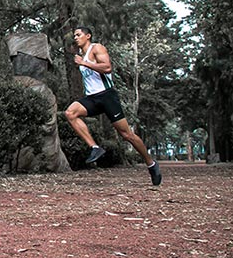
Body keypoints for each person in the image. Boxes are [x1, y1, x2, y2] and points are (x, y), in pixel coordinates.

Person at [65, 27, 162, 186]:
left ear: (88, 36)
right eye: (74, 35)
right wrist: (82, 61)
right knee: (70, 113)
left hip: (107, 96)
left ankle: (151, 163)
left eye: (78, 34)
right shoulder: (81, 55)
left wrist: (84, 63)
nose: (75, 37)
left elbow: (107, 67)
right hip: (92, 98)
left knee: (127, 135)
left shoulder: (97, 48)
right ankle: (95, 147)